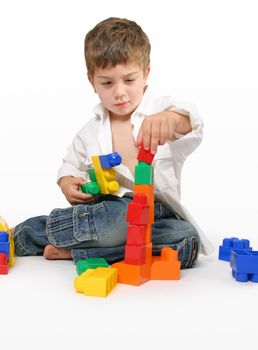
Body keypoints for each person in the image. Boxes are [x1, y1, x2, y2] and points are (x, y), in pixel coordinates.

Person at [12, 17, 213, 268]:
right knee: (117, 220)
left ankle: (79, 251)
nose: (119, 92)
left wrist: (171, 119)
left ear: (146, 72)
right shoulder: (90, 132)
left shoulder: (161, 111)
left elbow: (193, 124)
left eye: (129, 80)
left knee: (186, 240)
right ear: (92, 81)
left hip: (157, 214)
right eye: (107, 83)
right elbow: (69, 166)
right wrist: (67, 183)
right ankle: (26, 235)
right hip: (110, 212)